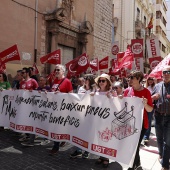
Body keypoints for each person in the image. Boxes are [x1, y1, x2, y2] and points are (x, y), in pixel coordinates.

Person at [123, 70, 153, 170]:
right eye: (129, 77)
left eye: (132, 77)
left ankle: (134, 166)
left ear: (139, 79)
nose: (129, 79)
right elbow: (122, 106)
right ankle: (137, 164)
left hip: (141, 124)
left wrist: (145, 104)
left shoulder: (146, 92)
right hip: (129, 123)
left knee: (134, 146)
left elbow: (150, 109)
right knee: (131, 146)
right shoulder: (127, 91)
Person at [49, 64, 73, 155]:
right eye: (55, 70)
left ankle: (56, 146)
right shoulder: (55, 80)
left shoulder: (67, 81)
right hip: (54, 107)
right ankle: (62, 139)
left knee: (58, 127)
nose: (56, 71)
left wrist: (61, 94)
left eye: (58, 70)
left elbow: (71, 95)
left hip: (62, 109)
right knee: (56, 126)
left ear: (63, 71)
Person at [70, 75, 95, 159]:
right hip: (81, 113)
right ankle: (79, 149)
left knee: (88, 133)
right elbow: (78, 98)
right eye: (85, 79)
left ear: (90, 80)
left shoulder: (94, 89)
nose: (85, 80)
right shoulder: (81, 88)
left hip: (90, 114)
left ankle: (87, 151)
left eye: (87, 79)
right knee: (79, 132)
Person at [151, 66, 170, 170]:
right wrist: (153, 98)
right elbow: (150, 100)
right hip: (158, 116)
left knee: (167, 141)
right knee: (159, 138)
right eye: (165, 72)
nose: (166, 74)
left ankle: (165, 164)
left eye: (168, 72)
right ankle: (161, 155)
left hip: (169, 117)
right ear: (162, 74)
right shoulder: (157, 86)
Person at [92, 73, 112, 168]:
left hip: (107, 119)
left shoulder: (111, 92)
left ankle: (106, 157)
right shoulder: (96, 92)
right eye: (100, 81)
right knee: (99, 138)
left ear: (107, 82)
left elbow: (116, 105)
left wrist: (110, 98)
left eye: (103, 80)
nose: (101, 82)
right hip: (98, 118)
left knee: (106, 138)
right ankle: (101, 155)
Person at [19, 67, 39, 146]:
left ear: (27, 73)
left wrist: (33, 91)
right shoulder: (22, 82)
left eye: (23, 72)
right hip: (24, 105)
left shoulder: (33, 81)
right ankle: (27, 135)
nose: (22, 74)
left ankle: (32, 140)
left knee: (31, 122)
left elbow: (38, 91)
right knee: (25, 120)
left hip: (32, 105)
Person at [143, 77, 156, 144]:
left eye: (151, 80)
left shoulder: (155, 87)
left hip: (151, 106)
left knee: (148, 121)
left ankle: (146, 137)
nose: (150, 81)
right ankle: (143, 135)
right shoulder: (145, 87)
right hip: (144, 106)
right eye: (149, 80)